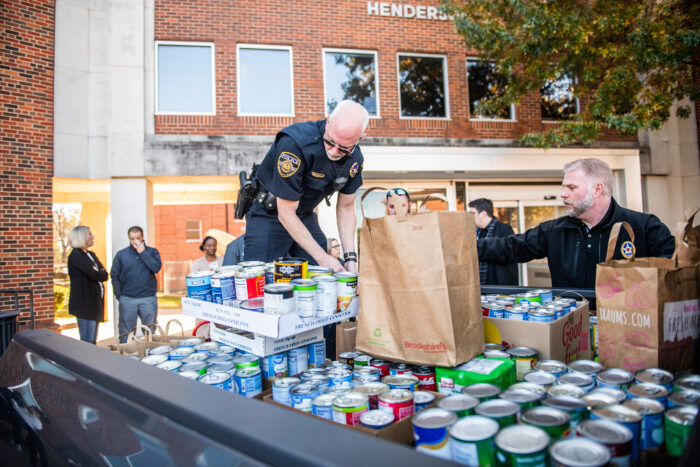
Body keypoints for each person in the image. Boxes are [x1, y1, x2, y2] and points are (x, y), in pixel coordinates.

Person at [477, 158, 675, 289]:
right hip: (571, 332)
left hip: (629, 333)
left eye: (571, 187)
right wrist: (459, 244)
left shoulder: (644, 227)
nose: (563, 194)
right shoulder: (555, 230)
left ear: (597, 189)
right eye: (564, 187)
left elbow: (676, 272)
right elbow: (510, 247)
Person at [243, 99, 368, 274]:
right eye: (330, 142)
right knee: (258, 279)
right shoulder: (294, 144)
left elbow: (346, 208)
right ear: (328, 120)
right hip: (270, 214)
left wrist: (351, 259)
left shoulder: (355, 159)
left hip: (304, 215)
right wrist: (323, 257)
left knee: (324, 275)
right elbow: (285, 213)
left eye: (343, 148)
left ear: (360, 138)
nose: (334, 151)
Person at [111, 226, 162, 343]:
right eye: (132, 239)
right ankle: (126, 358)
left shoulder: (152, 252)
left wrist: (143, 253)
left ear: (143, 237)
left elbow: (156, 268)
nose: (135, 241)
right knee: (126, 332)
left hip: (148, 298)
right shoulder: (121, 255)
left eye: (137, 238)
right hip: (128, 299)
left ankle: (150, 355)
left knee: (150, 331)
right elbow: (114, 275)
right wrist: (120, 296)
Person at [67, 226, 108, 344]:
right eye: (90, 234)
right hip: (84, 306)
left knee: (92, 341)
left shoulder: (90, 255)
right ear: (82, 237)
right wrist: (98, 272)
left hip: (94, 305)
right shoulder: (76, 255)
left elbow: (104, 274)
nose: (92, 236)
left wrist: (98, 272)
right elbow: (95, 274)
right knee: (87, 342)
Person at [468, 198, 519, 286]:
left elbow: (506, 253)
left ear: (483, 214)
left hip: (500, 286)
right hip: (480, 286)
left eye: (472, 214)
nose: (469, 217)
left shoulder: (504, 230)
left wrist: (480, 247)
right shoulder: (475, 232)